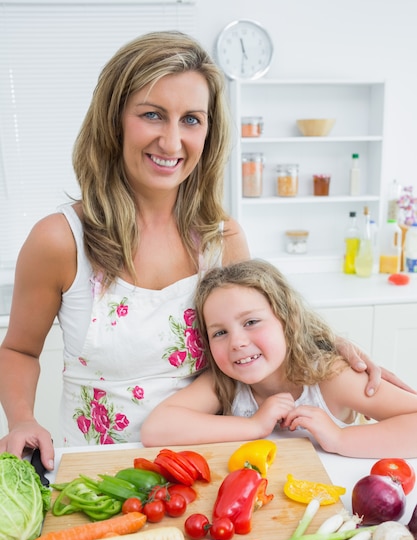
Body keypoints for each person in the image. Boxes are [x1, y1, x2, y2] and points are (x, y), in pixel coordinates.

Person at [0, 32, 403, 470]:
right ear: (113, 120)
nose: (172, 143)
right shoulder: (60, 240)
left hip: (208, 468)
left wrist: (332, 350)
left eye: (191, 119)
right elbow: (19, 350)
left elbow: (256, 325)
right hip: (101, 470)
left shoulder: (222, 237)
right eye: (153, 115)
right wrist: (21, 419)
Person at [142, 259, 417, 458]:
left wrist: (340, 438)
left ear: (288, 321)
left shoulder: (331, 377)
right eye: (220, 332)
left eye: (251, 322)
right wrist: (254, 425)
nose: (236, 342)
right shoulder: (224, 382)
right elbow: (156, 430)